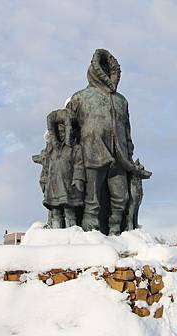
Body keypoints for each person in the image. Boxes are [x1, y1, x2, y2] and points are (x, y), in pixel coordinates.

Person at [66, 49, 137, 235]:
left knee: (121, 197)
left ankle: (116, 234)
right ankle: (91, 237)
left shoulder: (122, 101)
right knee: (92, 201)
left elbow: (127, 131)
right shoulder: (79, 97)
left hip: (119, 155)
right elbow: (68, 129)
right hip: (92, 153)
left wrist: (129, 152)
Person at [34, 108, 85, 228]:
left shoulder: (75, 148)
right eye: (58, 132)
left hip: (68, 185)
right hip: (53, 185)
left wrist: (78, 179)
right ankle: (57, 233)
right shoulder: (51, 151)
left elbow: (79, 164)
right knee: (55, 211)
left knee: (69, 210)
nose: (61, 134)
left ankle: (71, 232)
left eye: (63, 131)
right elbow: (46, 167)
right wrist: (44, 180)